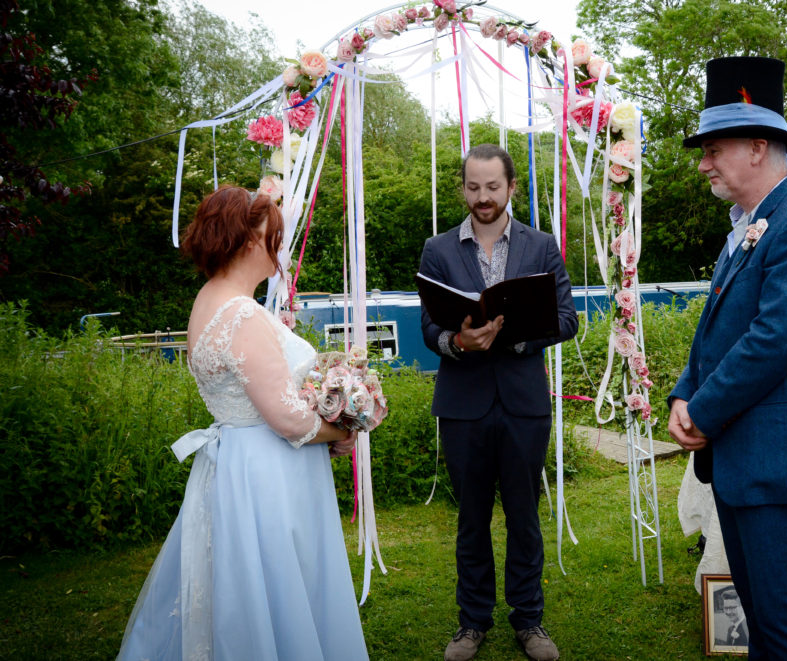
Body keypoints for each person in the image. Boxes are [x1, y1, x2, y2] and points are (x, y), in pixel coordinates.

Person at [117, 186, 368, 660]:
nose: (277, 247)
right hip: (269, 473)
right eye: (271, 235)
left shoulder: (209, 300)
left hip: (237, 466)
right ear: (249, 240)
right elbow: (288, 419)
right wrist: (344, 430)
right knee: (278, 581)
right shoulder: (241, 314)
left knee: (239, 583)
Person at [667, 57, 787, 660]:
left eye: (712, 149)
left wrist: (702, 411)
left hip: (773, 458)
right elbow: (716, 332)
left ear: (756, 146)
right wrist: (681, 391)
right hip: (741, 457)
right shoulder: (750, 226)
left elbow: (773, 342)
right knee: (759, 617)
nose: (703, 163)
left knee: (784, 621)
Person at [418, 144, 578, 661]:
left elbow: (568, 318)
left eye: (492, 187)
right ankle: (472, 623)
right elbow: (428, 327)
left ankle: (529, 621)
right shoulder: (437, 249)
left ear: (512, 188)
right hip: (463, 403)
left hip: (523, 402)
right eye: (473, 187)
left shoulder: (542, 245)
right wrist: (456, 342)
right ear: (463, 187)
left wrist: (519, 338)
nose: (482, 197)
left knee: (524, 516)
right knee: (471, 519)